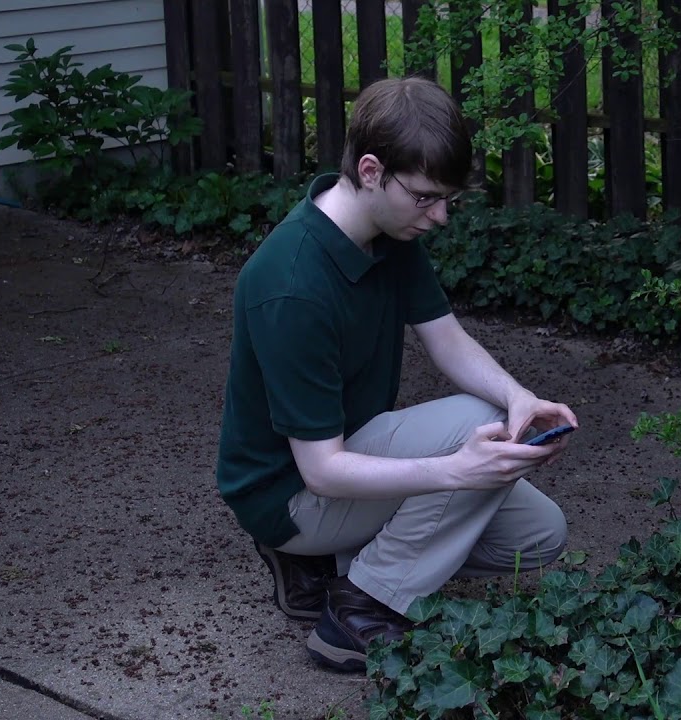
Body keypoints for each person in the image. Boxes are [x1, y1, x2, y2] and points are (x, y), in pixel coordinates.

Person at [214, 76, 578, 673]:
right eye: (426, 197)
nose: (439, 217)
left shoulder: (387, 232)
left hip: (351, 462)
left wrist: (520, 397)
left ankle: (326, 565)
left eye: (447, 200)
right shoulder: (291, 286)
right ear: (370, 170)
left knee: (538, 536)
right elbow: (322, 470)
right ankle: (358, 611)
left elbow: (447, 340)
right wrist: (455, 470)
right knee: (471, 424)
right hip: (291, 495)